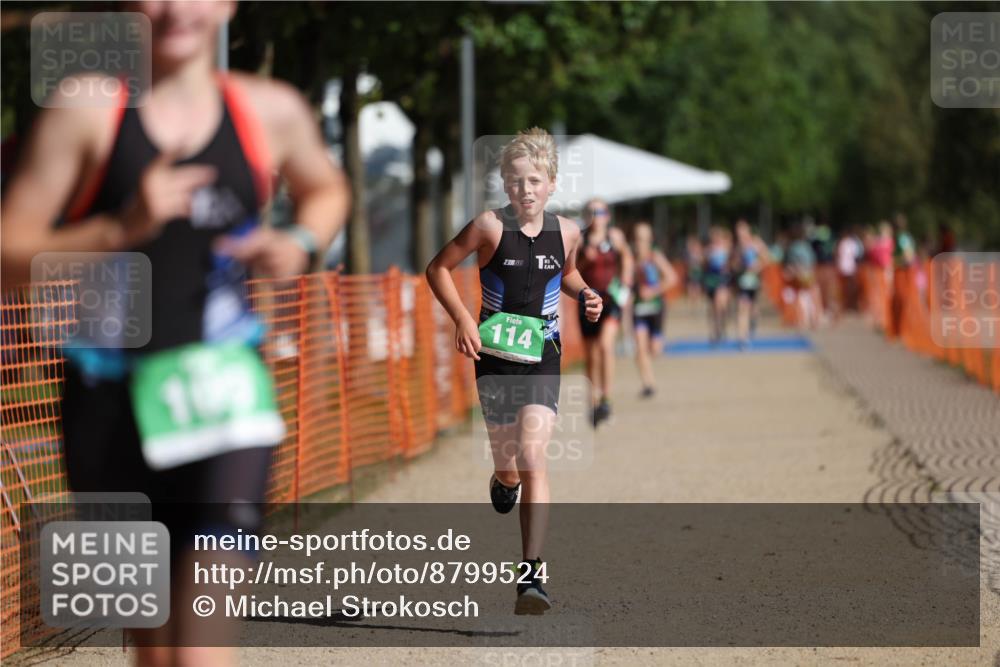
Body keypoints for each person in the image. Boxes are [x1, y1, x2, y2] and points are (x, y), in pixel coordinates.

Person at [1, 2, 350, 665]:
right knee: (155, 651)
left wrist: (301, 241)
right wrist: (120, 228)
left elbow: (327, 186)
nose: (176, 9)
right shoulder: (85, 110)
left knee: (196, 652)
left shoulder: (268, 110)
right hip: (109, 402)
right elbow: (9, 251)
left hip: (224, 396)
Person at [425, 128, 602, 615]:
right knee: (509, 464)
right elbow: (437, 268)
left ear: (551, 184)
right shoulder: (487, 227)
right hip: (495, 359)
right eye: (517, 180)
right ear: (505, 184)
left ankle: (531, 576)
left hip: (544, 355)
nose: (526, 189)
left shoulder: (567, 232)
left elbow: (565, 273)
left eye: (536, 180)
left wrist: (585, 294)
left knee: (532, 454)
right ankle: (502, 481)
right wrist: (463, 318)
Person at [576, 198, 633, 427]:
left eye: (600, 212)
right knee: (590, 355)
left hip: (610, 300)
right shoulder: (580, 239)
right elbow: (570, 271)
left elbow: (627, 258)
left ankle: (607, 399)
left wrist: (626, 283)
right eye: (591, 212)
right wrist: (583, 260)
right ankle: (593, 402)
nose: (596, 216)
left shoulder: (615, 237)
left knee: (605, 345)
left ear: (607, 216)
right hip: (588, 302)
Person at [630, 222, 678, 397]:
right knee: (640, 348)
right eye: (637, 238)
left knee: (654, 349)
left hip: (656, 308)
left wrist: (653, 290)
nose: (640, 242)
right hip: (639, 309)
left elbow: (672, 278)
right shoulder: (631, 258)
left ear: (649, 239)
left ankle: (648, 372)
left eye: (643, 238)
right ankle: (648, 384)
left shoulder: (654, 256)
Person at [729, 219, 769, 348]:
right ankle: (742, 339)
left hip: (754, 281)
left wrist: (756, 266)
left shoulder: (756, 242)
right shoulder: (736, 247)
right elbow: (732, 264)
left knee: (753, 309)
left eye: (742, 231)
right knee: (742, 308)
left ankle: (752, 325)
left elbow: (766, 259)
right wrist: (737, 265)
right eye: (738, 232)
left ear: (748, 231)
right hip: (742, 282)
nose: (740, 234)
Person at [702, 226, 732, 343]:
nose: (716, 239)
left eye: (718, 237)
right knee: (713, 307)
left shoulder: (726, 248)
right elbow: (704, 265)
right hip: (711, 280)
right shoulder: (708, 250)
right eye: (714, 238)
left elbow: (731, 263)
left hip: (722, 280)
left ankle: (722, 325)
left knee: (721, 305)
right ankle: (714, 330)